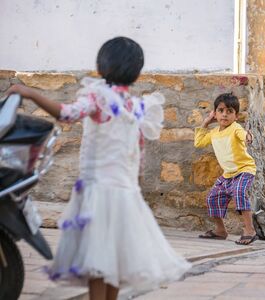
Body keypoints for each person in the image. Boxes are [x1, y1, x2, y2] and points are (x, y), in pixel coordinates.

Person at [6, 36, 191, 299]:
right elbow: (138, 153)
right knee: (117, 258)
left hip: (98, 192)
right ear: (137, 73)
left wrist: (30, 92)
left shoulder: (98, 97)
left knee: (98, 259)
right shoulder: (138, 106)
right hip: (126, 194)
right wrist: (134, 188)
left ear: (100, 67)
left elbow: (66, 114)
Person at [194, 93, 258, 245]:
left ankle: (250, 230)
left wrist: (248, 136)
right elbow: (198, 142)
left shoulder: (236, 128)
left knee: (239, 192)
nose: (224, 114)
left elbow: (243, 135)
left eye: (229, 111)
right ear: (215, 114)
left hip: (244, 170)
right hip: (228, 175)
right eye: (221, 110)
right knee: (212, 198)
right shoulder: (214, 133)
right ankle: (220, 230)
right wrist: (206, 123)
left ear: (236, 116)